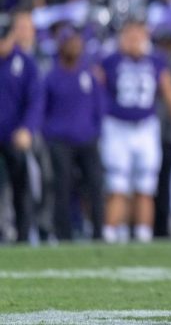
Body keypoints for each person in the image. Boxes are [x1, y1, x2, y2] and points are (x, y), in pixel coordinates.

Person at [98, 18, 171, 244]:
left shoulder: (156, 61)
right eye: (130, 34)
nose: (135, 39)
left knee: (145, 184)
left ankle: (143, 235)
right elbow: (96, 93)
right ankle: (111, 233)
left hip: (146, 126)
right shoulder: (109, 60)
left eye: (139, 34)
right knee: (117, 183)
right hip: (117, 125)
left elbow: (168, 90)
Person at [43, 24, 105, 241]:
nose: (74, 46)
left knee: (96, 185)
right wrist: (50, 134)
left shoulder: (88, 74)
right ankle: (64, 235)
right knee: (62, 188)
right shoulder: (51, 77)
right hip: (61, 141)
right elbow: (43, 109)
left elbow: (99, 107)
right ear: (61, 46)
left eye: (77, 42)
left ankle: (98, 233)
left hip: (87, 140)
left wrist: (95, 132)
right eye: (70, 42)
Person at [0, 10, 43, 243]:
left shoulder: (25, 63)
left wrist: (27, 128)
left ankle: (24, 236)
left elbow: (35, 100)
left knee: (23, 189)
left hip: (14, 136)